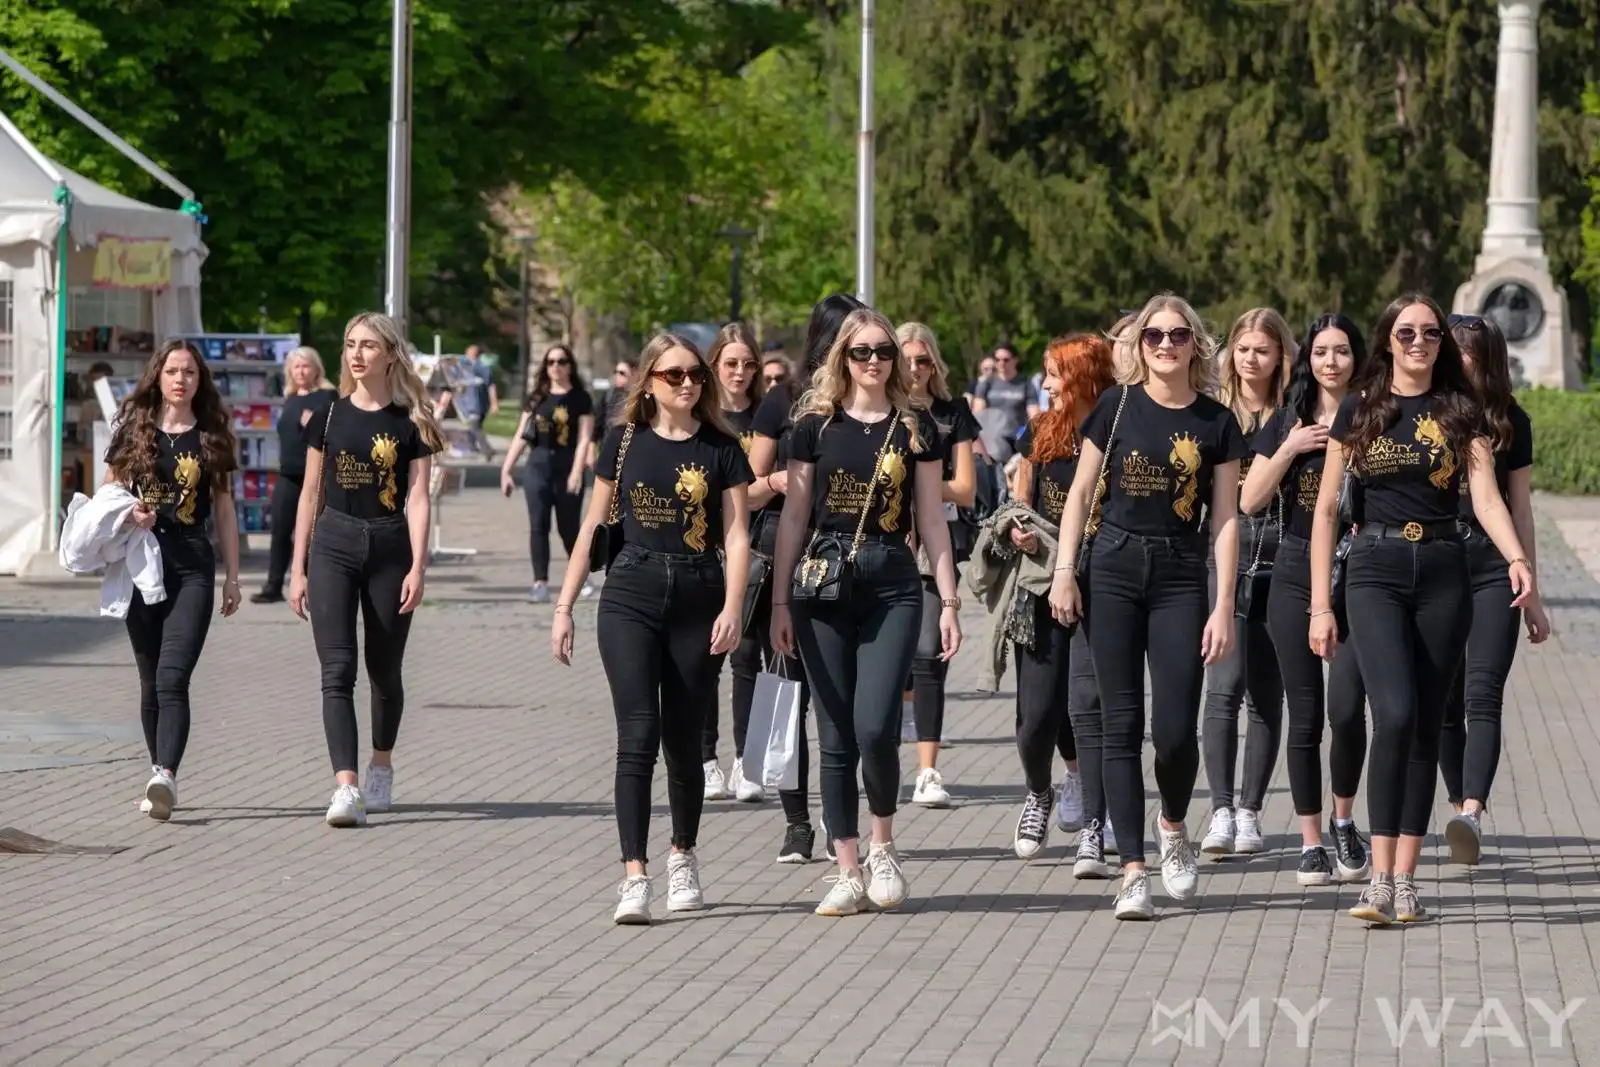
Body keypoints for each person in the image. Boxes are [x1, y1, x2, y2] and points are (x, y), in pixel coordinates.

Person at [1309, 292, 1539, 924]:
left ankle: (1403, 881)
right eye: (1406, 332)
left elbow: (1489, 499)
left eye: (1430, 333)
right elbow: (1328, 508)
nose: (1418, 342)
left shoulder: (1460, 410)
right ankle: (1376, 877)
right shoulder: (1360, 408)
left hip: (1444, 570)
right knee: (1397, 712)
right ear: (1387, 339)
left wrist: (1519, 560)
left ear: (1442, 342)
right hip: (1374, 571)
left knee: (1425, 722)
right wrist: (1320, 608)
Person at [1048, 293, 1248, 920]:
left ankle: (1172, 826)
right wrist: (1063, 573)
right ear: (1139, 346)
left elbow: (1224, 521)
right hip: (1112, 566)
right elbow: (1080, 493)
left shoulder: (1217, 422)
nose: (1165, 345)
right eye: (1155, 336)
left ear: (1195, 344)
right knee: (1120, 724)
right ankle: (1132, 869)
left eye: (1178, 336)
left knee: (1174, 733)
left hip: (1181, 575)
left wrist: (1223, 606)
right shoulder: (1115, 407)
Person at [551, 334, 752, 925]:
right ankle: (634, 875)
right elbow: (592, 527)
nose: (686, 384)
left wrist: (734, 607)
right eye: (672, 376)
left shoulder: (722, 447)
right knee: (636, 735)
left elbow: (737, 535)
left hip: (699, 593)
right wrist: (564, 607)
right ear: (649, 382)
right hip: (631, 592)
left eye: (694, 374)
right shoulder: (622, 443)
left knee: (684, 741)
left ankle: (683, 856)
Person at [771, 308, 963, 916]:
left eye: (884, 352)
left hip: (892, 584)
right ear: (841, 359)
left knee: (876, 727)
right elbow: (795, 519)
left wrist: (950, 600)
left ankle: (884, 845)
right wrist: (778, 600)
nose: (875, 361)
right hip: (821, 586)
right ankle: (847, 866)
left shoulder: (918, 430)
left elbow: (932, 518)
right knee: (834, 735)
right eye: (862, 352)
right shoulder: (813, 427)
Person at [289, 312, 444, 828]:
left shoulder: (411, 420)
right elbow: (309, 494)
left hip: (388, 546)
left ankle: (381, 764)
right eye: (351, 345)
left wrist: (418, 566)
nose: (357, 355)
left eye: (369, 346)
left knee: (384, 671)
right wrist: (298, 567)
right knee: (336, 671)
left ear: (390, 355)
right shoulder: (328, 417)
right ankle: (346, 786)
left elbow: (419, 498)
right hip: (333, 542)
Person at [1239, 313, 1372, 885]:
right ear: (1308, 359)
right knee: (1305, 715)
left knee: (1346, 710)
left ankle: (1345, 821)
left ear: (1356, 358)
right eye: (1321, 352)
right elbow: (1248, 500)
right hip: (1293, 569)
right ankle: (1311, 839)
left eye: (1342, 351)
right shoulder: (1288, 420)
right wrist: (1289, 447)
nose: (1331, 362)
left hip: (1360, 571)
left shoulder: (1377, 415)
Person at [748, 292, 866, 864]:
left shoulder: (872, 401)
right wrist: (786, 483)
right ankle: (797, 821)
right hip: (790, 560)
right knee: (788, 693)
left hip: (855, 562)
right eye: (853, 340)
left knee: (846, 702)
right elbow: (742, 489)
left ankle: (840, 806)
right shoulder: (785, 401)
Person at [104, 341, 242, 819]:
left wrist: (233, 578)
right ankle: (157, 773)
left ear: (199, 381)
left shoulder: (212, 436)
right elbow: (107, 494)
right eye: (172, 371)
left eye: (189, 372)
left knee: (172, 676)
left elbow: (224, 509)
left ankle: (165, 775)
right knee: (149, 682)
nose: (180, 379)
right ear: (157, 377)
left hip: (191, 567)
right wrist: (129, 512)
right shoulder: (133, 432)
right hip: (141, 566)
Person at [1439, 314, 1551, 864]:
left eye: (1469, 352)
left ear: (1488, 359)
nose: (1459, 360)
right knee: (1442, 699)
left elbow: (1520, 508)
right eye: (1453, 349)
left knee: (1482, 693)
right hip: (1433, 563)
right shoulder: (1424, 416)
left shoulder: (1512, 422)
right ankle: (1458, 794)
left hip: (1490, 568)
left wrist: (1532, 588)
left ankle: (1470, 811)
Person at [1008, 334, 1116, 874]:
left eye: (1054, 373)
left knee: (1089, 708)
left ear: (1083, 377)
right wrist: (1018, 533)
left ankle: (1096, 825)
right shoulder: (1039, 431)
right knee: (1036, 719)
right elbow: (1017, 507)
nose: (1046, 384)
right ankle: (1039, 791)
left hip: (1102, 586)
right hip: (1040, 588)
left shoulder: (1119, 431)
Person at [1199, 308, 1295, 857]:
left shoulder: (1293, 413)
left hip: (1284, 557)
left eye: (1262, 349)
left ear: (1280, 354)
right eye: (1243, 348)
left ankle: (1250, 810)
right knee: (1223, 685)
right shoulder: (1216, 415)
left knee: (1266, 693)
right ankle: (1219, 809)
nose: (1251, 358)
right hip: (1226, 556)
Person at [898, 322, 979, 807]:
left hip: (934, 545)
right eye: (905, 359)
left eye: (923, 360)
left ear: (935, 365)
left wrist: (921, 487)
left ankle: (927, 769)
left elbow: (966, 488)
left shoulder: (953, 415)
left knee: (929, 653)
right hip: (884, 538)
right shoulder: (883, 412)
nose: (913, 369)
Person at [702, 321, 766, 802]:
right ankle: (707, 759)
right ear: (714, 365)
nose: (740, 372)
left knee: (748, 657)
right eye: (731, 364)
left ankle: (749, 759)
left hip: (757, 548)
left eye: (748, 364)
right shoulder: (702, 419)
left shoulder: (766, 417)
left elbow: (769, 488)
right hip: (705, 549)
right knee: (708, 656)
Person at [498, 344, 596, 603]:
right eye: (551, 362)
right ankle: (539, 582)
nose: (556, 366)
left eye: (561, 361)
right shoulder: (536, 398)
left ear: (570, 365)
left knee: (568, 528)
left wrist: (577, 472)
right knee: (538, 526)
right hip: (538, 467)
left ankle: (581, 578)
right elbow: (522, 435)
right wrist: (506, 468)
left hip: (566, 466)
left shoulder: (580, 399)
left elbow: (585, 439)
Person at [253, 347, 336, 604]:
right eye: (296, 367)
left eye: (305, 366)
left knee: (313, 532)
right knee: (280, 529)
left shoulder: (327, 395)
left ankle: (312, 585)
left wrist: (315, 422)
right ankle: (273, 584)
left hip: (315, 476)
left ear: (316, 369)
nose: (300, 371)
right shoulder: (289, 397)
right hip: (288, 474)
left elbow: (338, 431)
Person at [970, 342, 1040, 466]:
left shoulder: (1025, 384)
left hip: (1015, 438)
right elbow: (978, 415)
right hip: (991, 439)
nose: (1001, 363)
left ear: (1015, 361)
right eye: (997, 359)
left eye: (1006, 360)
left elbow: (1034, 415)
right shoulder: (987, 383)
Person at [435, 344, 499, 460]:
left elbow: (491, 386)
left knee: (475, 426)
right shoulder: (463, 367)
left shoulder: (480, 368)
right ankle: (476, 447)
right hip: (474, 404)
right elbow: (454, 385)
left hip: (478, 404)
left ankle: (485, 449)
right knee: (474, 425)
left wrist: (494, 403)